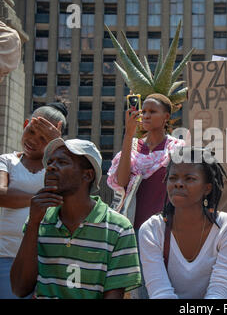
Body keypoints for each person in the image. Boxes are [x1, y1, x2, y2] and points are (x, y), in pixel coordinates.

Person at [10, 138, 141, 299]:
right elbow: (19, 288)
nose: (50, 167)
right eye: (50, 162)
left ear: (87, 175)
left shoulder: (118, 228)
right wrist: (33, 223)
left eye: (62, 162)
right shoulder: (40, 220)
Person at [138, 147, 227, 299]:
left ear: (207, 188)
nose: (178, 184)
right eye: (173, 178)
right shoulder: (151, 230)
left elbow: (219, 292)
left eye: (189, 178)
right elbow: (160, 292)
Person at [107, 93, 185, 298]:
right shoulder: (133, 147)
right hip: (136, 231)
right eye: (144, 111)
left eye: (153, 111)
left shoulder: (177, 148)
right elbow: (121, 182)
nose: (146, 115)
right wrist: (128, 135)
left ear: (166, 117)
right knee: (141, 291)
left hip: (168, 231)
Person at [0, 103, 67, 299]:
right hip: (7, 255)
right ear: (25, 124)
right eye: (31, 131)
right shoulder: (6, 160)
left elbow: (68, 195)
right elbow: (1, 194)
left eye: (44, 139)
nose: (33, 141)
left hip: (48, 259)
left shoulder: (57, 167)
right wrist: (41, 199)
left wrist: (58, 143)